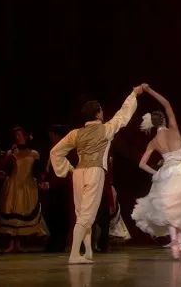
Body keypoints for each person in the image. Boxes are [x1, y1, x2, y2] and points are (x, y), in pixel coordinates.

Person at [50, 85, 141, 264]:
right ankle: (75, 254)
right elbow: (123, 115)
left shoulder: (75, 133)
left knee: (82, 213)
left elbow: (55, 152)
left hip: (78, 172)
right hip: (94, 171)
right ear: (98, 114)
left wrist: (68, 169)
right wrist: (134, 93)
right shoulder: (106, 129)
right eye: (101, 111)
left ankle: (88, 251)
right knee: (86, 215)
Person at [131, 84, 181, 260]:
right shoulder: (174, 129)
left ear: (153, 123)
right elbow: (167, 104)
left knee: (169, 207)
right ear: (164, 120)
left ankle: (175, 240)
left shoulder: (153, 141)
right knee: (179, 206)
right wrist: (150, 90)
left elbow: (141, 164)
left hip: (167, 171)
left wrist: (156, 172)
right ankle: (178, 241)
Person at [0, 126, 48, 253]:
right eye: (16, 136)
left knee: (23, 211)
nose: (18, 138)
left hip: (27, 184)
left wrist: (41, 181)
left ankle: (18, 243)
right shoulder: (11, 153)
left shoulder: (34, 153)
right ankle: (10, 243)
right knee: (11, 210)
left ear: (25, 136)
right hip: (13, 184)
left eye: (20, 135)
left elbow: (38, 170)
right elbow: (4, 169)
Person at [41, 125, 77, 253]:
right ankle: (54, 243)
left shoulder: (64, 149)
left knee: (59, 215)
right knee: (52, 215)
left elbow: (64, 171)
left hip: (61, 188)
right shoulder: (54, 149)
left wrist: (50, 184)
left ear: (54, 134)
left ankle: (58, 243)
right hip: (54, 188)